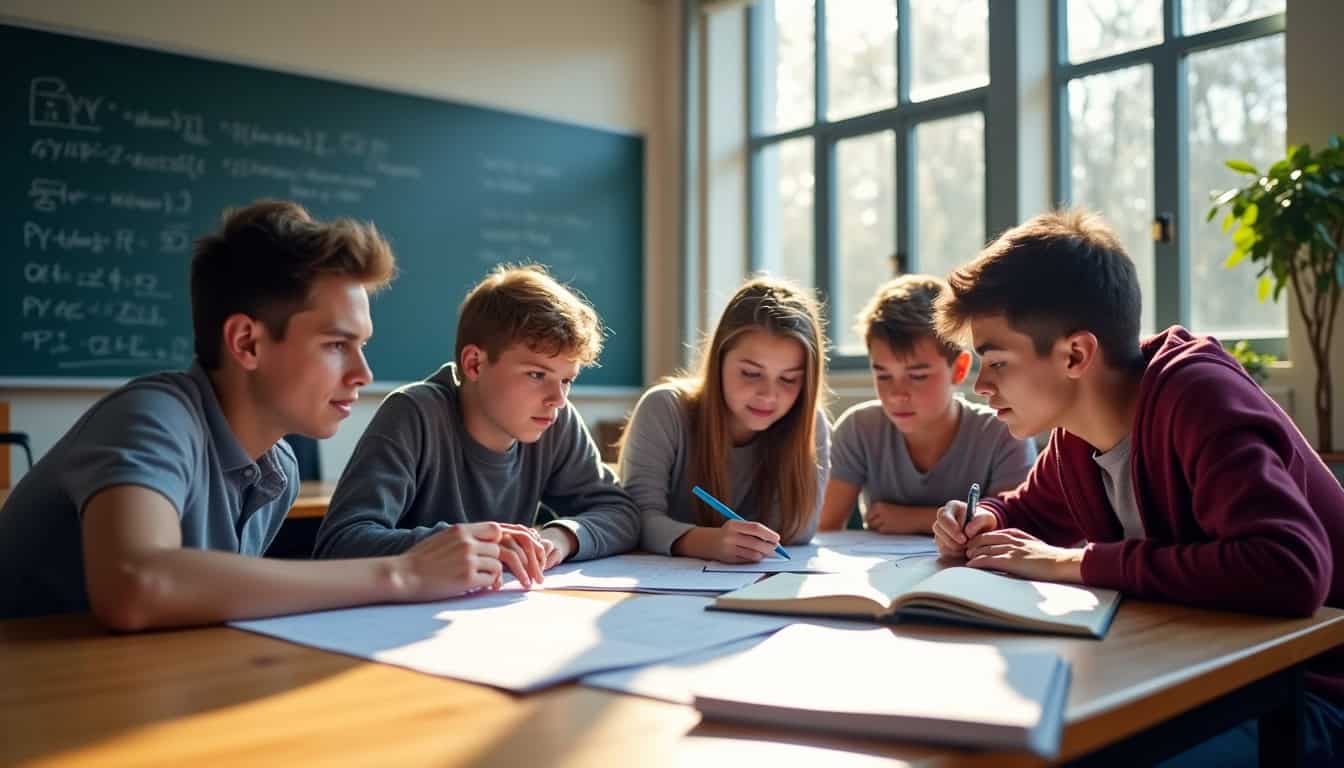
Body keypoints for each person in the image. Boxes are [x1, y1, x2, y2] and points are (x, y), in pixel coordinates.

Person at [929, 209, 1344, 766]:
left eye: (997, 361)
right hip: (1208, 675)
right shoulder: (1076, 436)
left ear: (1076, 354)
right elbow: (1027, 510)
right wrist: (986, 520)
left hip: (1307, 694)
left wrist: (1073, 563)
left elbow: (1290, 569)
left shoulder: (1200, 401)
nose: (981, 385)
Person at [0, 201, 538, 629]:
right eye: (335, 345)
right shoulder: (152, 416)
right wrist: (405, 572)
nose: (362, 374)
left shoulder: (275, 472)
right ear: (246, 342)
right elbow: (138, 586)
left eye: (362, 345)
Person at [315, 265, 639, 582]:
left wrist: (561, 537)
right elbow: (340, 544)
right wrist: (469, 545)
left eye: (567, 380)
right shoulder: (415, 413)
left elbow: (620, 513)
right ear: (474, 364)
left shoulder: (555, 420)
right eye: (537, 374)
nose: (557, 398)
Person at [619, 277, 830, 563]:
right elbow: (636, 520)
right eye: (751, 373)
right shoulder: (665, 409)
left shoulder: (809, 423)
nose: (769, 395)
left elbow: (800, 529)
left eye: (789, 379)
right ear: (719, 360)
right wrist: (707, 542)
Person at [819, 275, 1034, 534]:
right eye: (883, 375)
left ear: (959, 369)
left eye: (918, 376)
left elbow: (1016, 528)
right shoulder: (859, 428)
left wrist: (918, 519)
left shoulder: (1003, 432)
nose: (897, 395)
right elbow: (825, 528)